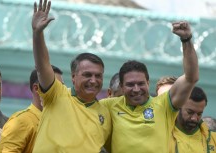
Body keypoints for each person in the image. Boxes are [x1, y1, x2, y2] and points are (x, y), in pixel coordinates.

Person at [100, 21, 199, 153]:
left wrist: (186, 40)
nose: (136, 89)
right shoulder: (108, 106)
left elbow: (191, 78)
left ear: (148, 83)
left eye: (141, 83)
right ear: (122, 87)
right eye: (130, 85)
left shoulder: (165, 105)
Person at [31, 0, 111, 152]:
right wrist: (37, 34)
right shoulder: (56, 94)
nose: (93, 81)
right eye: (87, 75)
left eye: (98, 76)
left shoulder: (106, 113)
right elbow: (42, 65)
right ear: (73, 77)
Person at [0, 66, 63, 153]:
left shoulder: (59, 122)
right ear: (36, 89)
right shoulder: (21, 122)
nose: (62, 91)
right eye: (55, 87)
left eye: (62, 87)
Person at [170, 86, 216, 153]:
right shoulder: (164, 134)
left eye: (199, 114)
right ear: (178, 107)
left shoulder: (212, 139)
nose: (194, 118)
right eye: (190, 112)